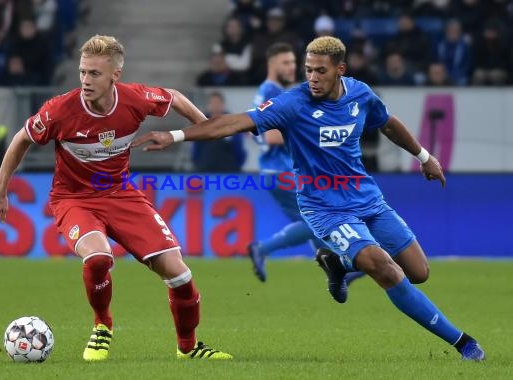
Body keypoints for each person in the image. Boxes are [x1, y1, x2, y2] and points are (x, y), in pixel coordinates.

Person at [132, 36, 485, 361]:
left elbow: (387, 122)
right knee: (385, 269)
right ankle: (463, 342)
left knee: (419, 272)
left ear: (340, 70)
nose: (312, 77)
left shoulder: (359, 95)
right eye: (308, 70)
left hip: (367, 197)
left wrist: (424, 157)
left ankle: (338, 264)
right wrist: (177, 134)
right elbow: (235, 123)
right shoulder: (292, 104)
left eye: (320, 70)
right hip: (324, 207)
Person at [0, 35, 232, 362]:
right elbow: (21, 139)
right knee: (99, 258)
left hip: (121, 194)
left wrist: (205, 125)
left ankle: (188, 348)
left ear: (115, 75)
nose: (86, 80)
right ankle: (103, 324)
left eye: (94, 74)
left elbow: (174, 97)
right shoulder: (60, 110)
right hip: (74, 198)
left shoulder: (134, 99)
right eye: (83, 72)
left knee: (180, 275)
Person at [248, 41, 364, 285]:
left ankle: (336, 269)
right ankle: (263, 248)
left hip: (274, 171)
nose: (292, 68)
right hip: (283, 171)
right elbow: (271, 135)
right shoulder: (272, 92)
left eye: (293, 63)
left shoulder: (267, 91)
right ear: (272, 64)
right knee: (319, 219)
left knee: (313, 221)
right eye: (286, 63)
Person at [191, 91, 246, 172]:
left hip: (229, 170)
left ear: (223, 104)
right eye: (212, 103)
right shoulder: (200, 124)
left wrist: (236, 166)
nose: (215, 105)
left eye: (217, 103)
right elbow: (196, 149)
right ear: (208, 105)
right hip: (205, 170)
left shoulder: (233, 123)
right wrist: (199, 165)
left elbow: (239, 149)